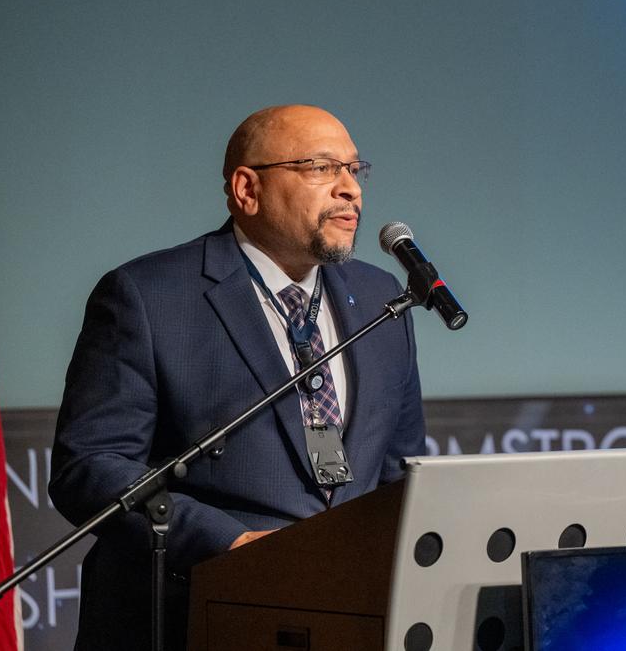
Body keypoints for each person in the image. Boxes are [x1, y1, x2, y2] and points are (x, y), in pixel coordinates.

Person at [49, 105, 426, 650]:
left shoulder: (380, 297)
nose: (350, 189)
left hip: (346, 619)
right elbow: (90, 467)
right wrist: (232, 543)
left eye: (355, 169)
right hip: (193, 613)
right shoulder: (148, 297)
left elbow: (398, 471)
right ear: (247, 189)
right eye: (322, 167)